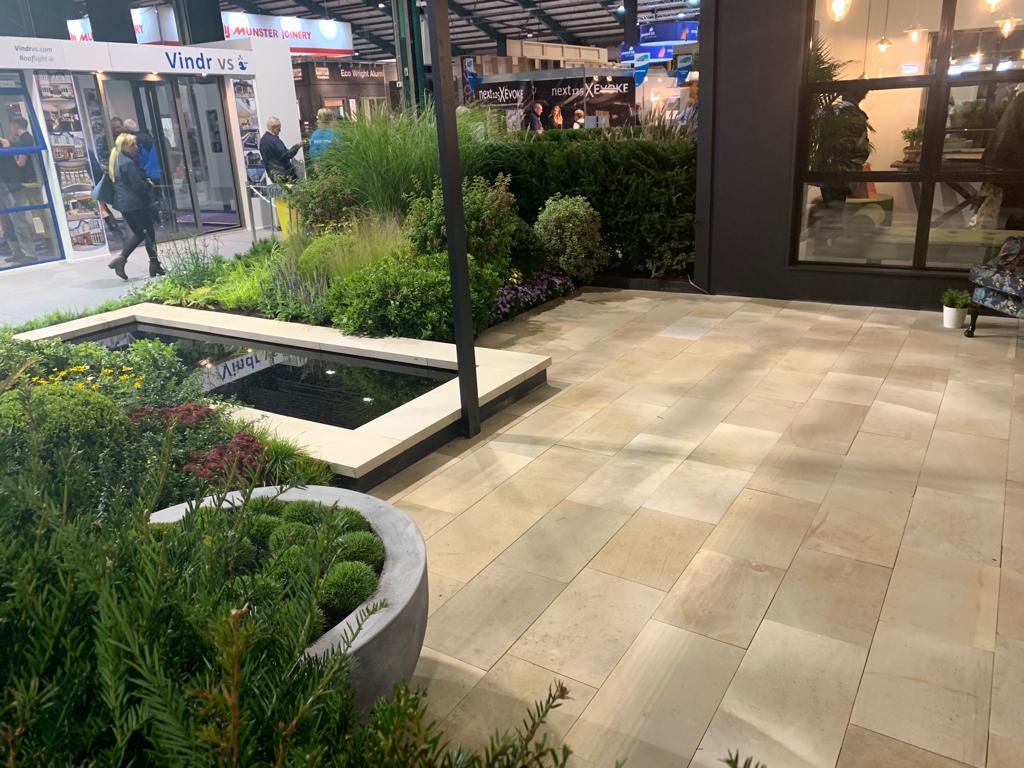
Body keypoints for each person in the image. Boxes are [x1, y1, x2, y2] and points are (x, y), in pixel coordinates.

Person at [107, 132, 165, 280]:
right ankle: (154, 265)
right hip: (136, 204)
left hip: (124, 205)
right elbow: (138, 186)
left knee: (140, 234)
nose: (136, 147)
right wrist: (148, 185)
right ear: (125, 146)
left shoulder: (115, 160)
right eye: (133, 145)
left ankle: (121, 259)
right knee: (149, 234)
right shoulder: (128, 163)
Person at [0, 117, 40, 263]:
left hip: (12, 187)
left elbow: (21, 146)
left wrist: (7, 144)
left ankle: (29, 253)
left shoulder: (8, 143)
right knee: (7, 223)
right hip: (4, 187)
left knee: (19, 221)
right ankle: (17, 252)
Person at [259, 116, 301, 182]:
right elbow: (287, 154)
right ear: (273, 128)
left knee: (282, 189)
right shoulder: (274, 141)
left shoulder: (263, 140)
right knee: (293, 188)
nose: (280, 131)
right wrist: (298, 146)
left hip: (273, 175)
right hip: (284, 174)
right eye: (278, 129)